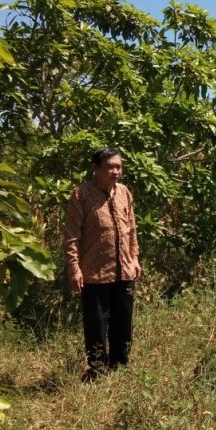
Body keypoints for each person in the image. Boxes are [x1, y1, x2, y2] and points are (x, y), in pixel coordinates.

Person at [64, 147, 141, 380]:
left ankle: (120, 366)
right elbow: (71, 235)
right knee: (96, 324)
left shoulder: (124, 193)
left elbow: (131, 230)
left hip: (125, 270)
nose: (116, 171)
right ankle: (97, 370)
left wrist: (135, 257)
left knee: (123, 322)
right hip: (95, 273)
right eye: (110, 167)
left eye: (118, 166)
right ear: (95, 169)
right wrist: (74, 267)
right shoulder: (81, 195)